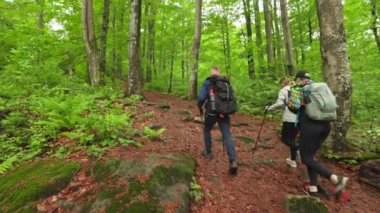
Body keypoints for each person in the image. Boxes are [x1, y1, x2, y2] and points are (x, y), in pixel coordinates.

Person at [293, 71, 348, 197]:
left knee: (305, 158)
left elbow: (293, 108)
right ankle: (313, 188)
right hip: (325, 126)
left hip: (310, 127)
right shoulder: (320, 88)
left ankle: (335, 179)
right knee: (310, 157)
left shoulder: (298, 89)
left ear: (298, 79)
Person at [197, 65, 238, 175]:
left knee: (206, 129)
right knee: (227, 135)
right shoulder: (226, 82)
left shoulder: (208, 82)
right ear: (219, 72)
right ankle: (233, 160)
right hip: (224, 112)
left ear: (211, 72)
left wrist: (200, 106)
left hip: (212, 112)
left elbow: (201, 98)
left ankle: (209, 152)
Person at [266, 77, 299, 168]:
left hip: (289, 119)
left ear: (282, 83)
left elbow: (279, 103)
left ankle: (297, 149)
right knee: (292, 139)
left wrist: (269, 108)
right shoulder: (297, 89)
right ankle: (293, 161)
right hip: (298, 119)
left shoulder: (283, 90)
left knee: (284, 139)